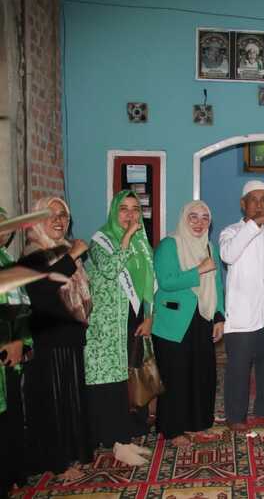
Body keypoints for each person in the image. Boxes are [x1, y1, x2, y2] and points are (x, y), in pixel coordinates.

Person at [20, 197, 93, 478]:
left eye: (63, 214)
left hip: (70, 336)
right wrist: (72, 257)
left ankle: (73, 453)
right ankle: (58, 463)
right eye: (50, 214)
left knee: (70, 399)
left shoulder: (63, 249)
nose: (58, 220)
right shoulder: (33, 253)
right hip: (49, 341)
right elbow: (42, 291)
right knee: (53, 402)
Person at [85, 190, 154, 465]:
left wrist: (149, 316)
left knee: (126, 381)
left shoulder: (142, 243)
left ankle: (123, 437)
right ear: (114, 212)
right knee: (109, 384)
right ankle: (116, 441)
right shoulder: (100, 240)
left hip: (132, 320)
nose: (130, 215)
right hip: (106, 326)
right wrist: (126, 237)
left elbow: (148, 283)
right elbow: (111, 269)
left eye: (135, 209)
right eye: (124, 209)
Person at [152, 201, 225, 447]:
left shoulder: (209, 247)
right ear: (184, 218)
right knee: (176, 376)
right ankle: (172, 429)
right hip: (173, 322)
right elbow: (166, 281)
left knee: (201, 374)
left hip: (203, 317)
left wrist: (219, 316)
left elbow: (217, 285)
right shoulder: (169, 245)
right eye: (193, 217)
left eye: (205, 218)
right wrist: (198, 270)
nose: (199, 223)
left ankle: (197, 422)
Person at [219, 180, 264, 431]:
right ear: (243, 204)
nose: (259, 205)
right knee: (238, 370)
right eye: (253, 200)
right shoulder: (231, 232)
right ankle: (236, 417)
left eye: (263, 200)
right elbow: (228, 255)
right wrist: (253, 226)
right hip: (242, 316)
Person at [0, 206, 33, 494]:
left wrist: (22, 341)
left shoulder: (7, 261)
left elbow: (23, 307)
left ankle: (11, 472)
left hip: (12, 354)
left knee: (11, 415)